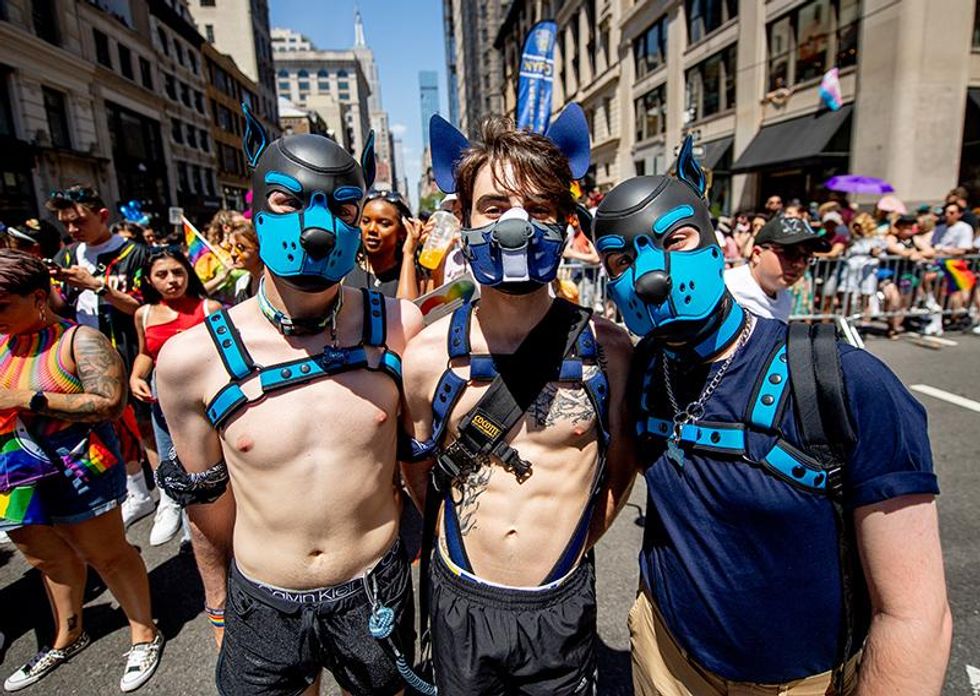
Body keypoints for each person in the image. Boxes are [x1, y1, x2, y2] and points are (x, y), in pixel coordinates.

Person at [593, 137, 951, 696]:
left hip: (803, 681)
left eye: (676, 239)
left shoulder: (848, 382)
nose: (650, 275)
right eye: (621, 259)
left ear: (716, 247)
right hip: (666, 661)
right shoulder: (639, 371)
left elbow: (914, 615)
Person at [155, 106, 424, 696]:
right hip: (263, 604)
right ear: (257, 208)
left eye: (342, 208)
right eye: (286, 202)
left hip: (373, 595)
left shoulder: (399, 327)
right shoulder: (191, 360)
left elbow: (419, 462)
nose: (317, 227)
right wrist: (220, 605)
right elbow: (206, 504)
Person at [400, 108, 635, 695]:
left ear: (564, 222)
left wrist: (576, 542)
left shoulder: (609, 351)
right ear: (463, 220)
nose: (515, 226)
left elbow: (622, 464)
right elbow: (417, 472)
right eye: (495, 207)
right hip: (460, 595)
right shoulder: (428, 355)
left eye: (537, 209)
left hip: (560, 599)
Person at [0, 250, 163, 692]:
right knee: (47, 559)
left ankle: (144, 631)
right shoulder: (3, 342)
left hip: (78, 469)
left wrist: (25, 399)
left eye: (2, 305)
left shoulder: (80, 341)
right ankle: (67, 635)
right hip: (15, 475)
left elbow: (110, 403)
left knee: (107, 553)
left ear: (37, 297)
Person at [45, 186, 155, 529]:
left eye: (79, 221)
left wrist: (96, 285)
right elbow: (60, 308)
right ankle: (138, 493)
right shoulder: (67, 257)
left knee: (146, 426)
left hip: (129, 352)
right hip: (85, 358)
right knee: (108, 423)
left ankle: (170, 495)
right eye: (66, 224)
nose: (73, 230)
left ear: (102, 215)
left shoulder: (135, 254)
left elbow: (145, 307)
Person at [130, 250, 221, 546]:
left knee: (207, 466)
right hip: (164, 399)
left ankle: (210, 530)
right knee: (173, 458)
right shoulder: (143, 314)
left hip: (207, 398)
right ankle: (177, 514)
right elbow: (146, 353)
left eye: (178, 272)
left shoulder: (209, 308)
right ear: (150, 280)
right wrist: (135, 376)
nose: (172, 280)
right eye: (162, 275)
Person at [724, 215, 829, 323]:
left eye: (806, 258)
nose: (799, 264)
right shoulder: (725, 289)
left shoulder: (785, 298)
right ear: (757, 254)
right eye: (790, 253)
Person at [350, 189, 430, 299]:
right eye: (365, 221)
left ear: (402, 231)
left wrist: (409, 253)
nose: (372, 229)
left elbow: (407, 312)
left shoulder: (417, 276)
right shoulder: (344, 269)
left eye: (384, 224)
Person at [226, 219, 263, 304]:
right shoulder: (241, 283)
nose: (233, 253)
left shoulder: (275, 283)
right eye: (230, 247)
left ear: (258, 248)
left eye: (240, 247)